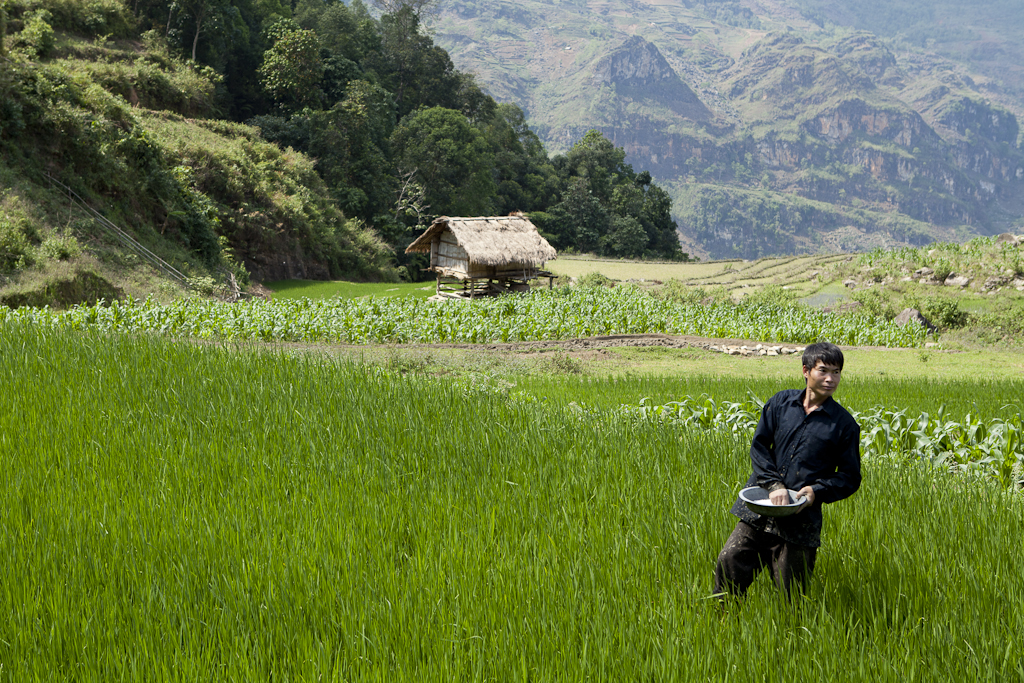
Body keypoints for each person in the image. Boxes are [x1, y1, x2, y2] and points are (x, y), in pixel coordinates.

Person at [713, 341, 861, 598]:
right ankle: (723, 621)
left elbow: (850, 477)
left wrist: (817, 491)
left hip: (800, 519)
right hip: (760, 509)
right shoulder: (780, 404)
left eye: (836, 372)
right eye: (823, 370)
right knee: (730, 562)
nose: (830, 379)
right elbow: (759, 447)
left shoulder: (844, 425)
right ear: (806, 371)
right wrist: (773, 485)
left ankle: (788, 633)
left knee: (791, 594)